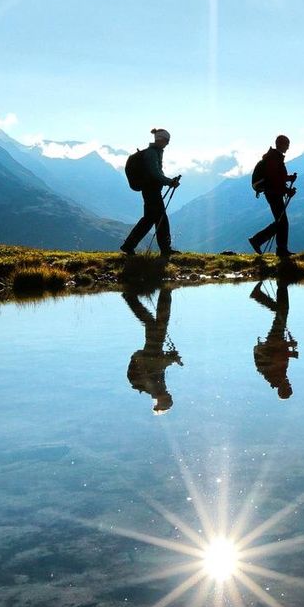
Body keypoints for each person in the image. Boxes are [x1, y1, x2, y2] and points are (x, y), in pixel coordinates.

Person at [121, 128, 182, 256]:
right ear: (161, 140)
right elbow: (155, 173)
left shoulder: (154, 152)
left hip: (150, 189)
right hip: (151, 190)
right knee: (161, 219)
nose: (168, 143)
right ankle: (165, 249)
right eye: (167, 140)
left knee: (149, 220)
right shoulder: (152, 153)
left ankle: (129, 245)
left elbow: (157, 172)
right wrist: (170, 182)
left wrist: (168, 181)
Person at [124, 286, 180, 414]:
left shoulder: (155, 389)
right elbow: (158, 367)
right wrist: (171, 359)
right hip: (151, 353)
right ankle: (163, 292)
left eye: (167, 398)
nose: (169, 395)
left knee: (155, 323)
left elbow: (156, 367)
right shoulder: (157, 390)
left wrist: (172, 359)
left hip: (151, 353)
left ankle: (163, 291)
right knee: (156, 323)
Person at [247, 134, 297, 259]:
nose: (288, 148)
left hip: (273, 192)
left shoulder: (274, 157)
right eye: (287, 145)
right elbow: (274, 179)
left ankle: (276, 247)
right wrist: (287, 190)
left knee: (281, 222)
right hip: (273, 193)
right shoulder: (274, 158)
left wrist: (289, 178)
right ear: (281, 144)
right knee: (282, 222)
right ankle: (260, 241)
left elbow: (276, 177)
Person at [249, 279, 297, 399]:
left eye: (288, 386)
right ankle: (264, 293)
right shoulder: (277, 377)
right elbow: (278, 356)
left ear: (282, 388)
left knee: (282, 311)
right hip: (272, 344)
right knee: (282, 311)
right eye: (290, 386)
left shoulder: (276, 376)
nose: (289, 383)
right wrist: (290, 352)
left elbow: (275, 355)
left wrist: (289, 347)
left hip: (272, 343)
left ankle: (260, 295)